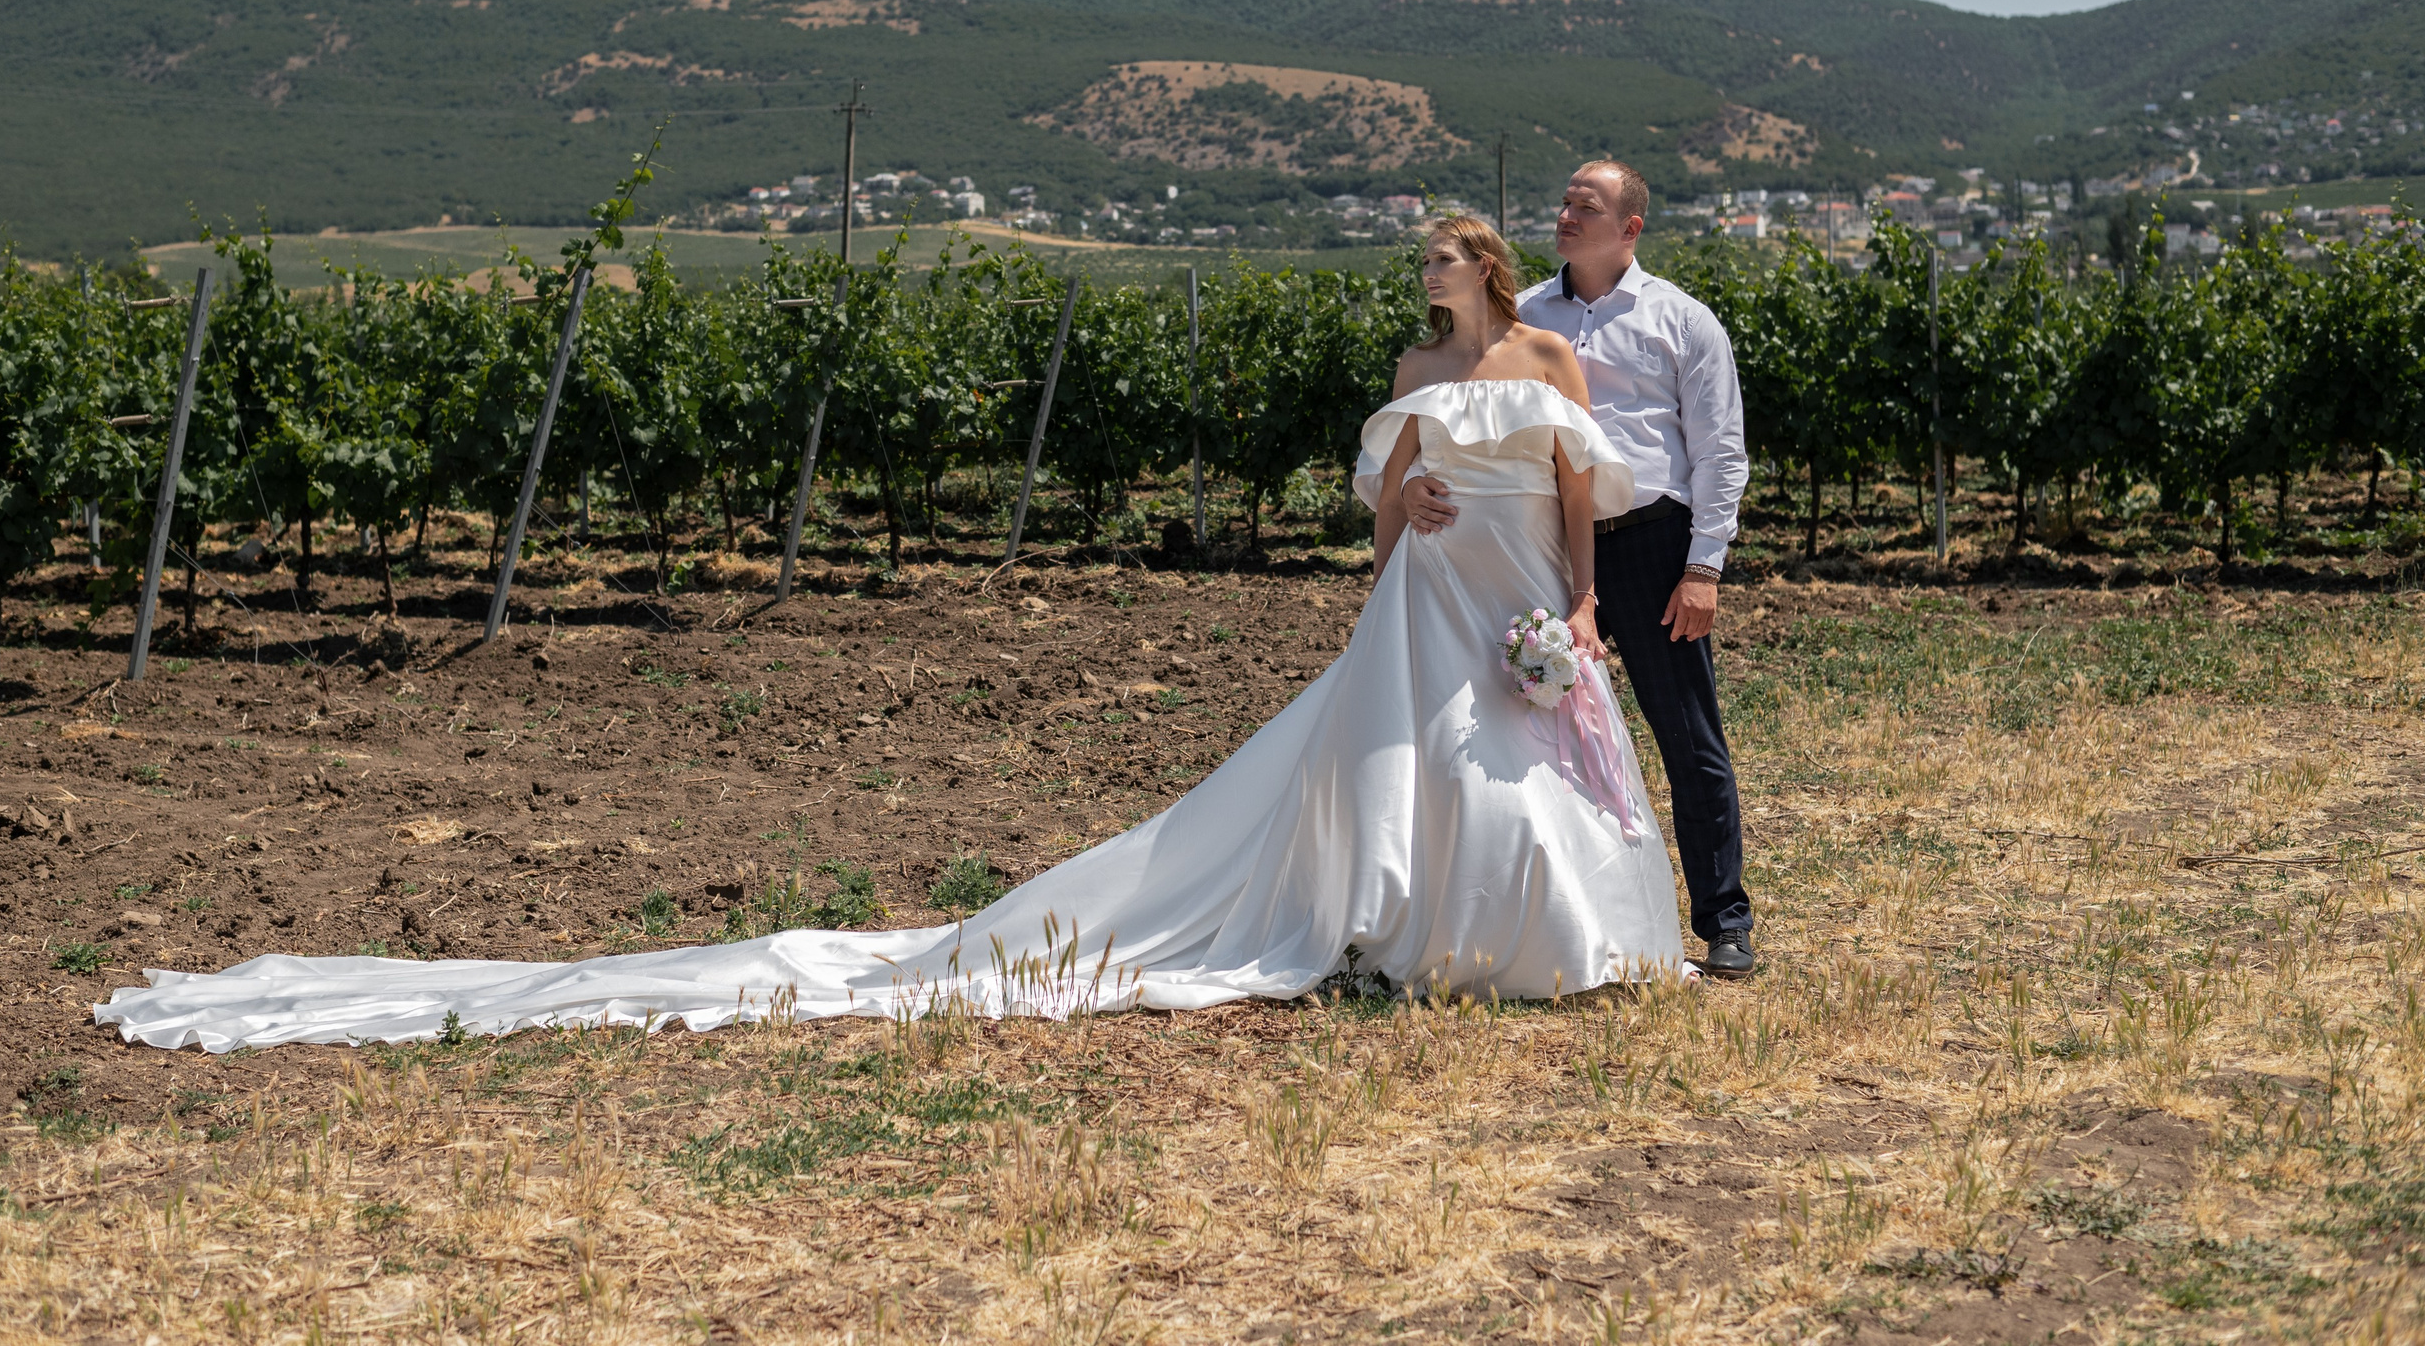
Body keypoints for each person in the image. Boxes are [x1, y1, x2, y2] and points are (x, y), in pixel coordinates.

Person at [94, 215, 1689, 1054]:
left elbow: (1576, 492)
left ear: (1482, 274)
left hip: (1516, 592)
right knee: (1399, 759)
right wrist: (1392, 517)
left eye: (1437, 271)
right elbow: (1381, 493)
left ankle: (1546, 941)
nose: (1424, 294)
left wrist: (1579, 608)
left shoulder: (1550, 360)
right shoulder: (1411, 380)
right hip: (1419, 588)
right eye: (1418, 275)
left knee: (1518, 757)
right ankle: (1408, 938)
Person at [1402, 162, 1756, 978]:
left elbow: (1719, 454)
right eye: (1562, 201)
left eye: (1584, 206)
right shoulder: (1517, 319)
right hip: (1532, 548)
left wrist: (1703, 567)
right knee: (1527, 739)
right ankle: (1551, 920)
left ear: (1630, 227)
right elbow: (1452, 415)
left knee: (1686, 734)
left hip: (1649, 548)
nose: (1564, 214)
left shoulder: (1683, 322)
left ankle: (1723, 919)